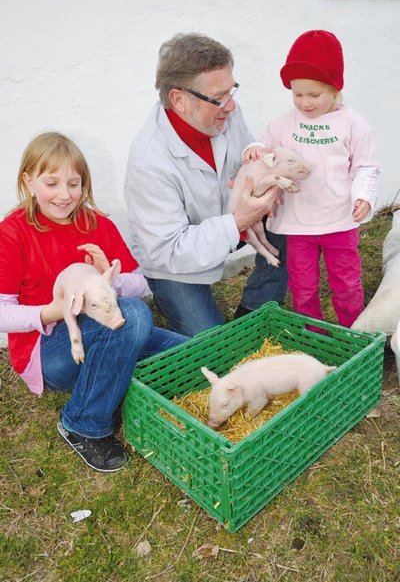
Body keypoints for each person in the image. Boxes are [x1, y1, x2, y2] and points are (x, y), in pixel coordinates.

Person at [0, 132, 188, 473]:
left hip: (105, 329)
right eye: (52, 183)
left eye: (74, 184)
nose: (64, 195)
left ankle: (114, 378)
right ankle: (83, 423)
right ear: (28, 181)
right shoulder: (13, 232)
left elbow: (139, 284)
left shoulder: (97, 224)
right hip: (49, 351)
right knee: (134, 317)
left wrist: (109, 280)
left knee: (189, 356)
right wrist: (53, 312)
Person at [124, 32, 286, 337]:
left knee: (289, 208)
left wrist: (264, 174)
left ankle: (256, 306)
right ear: (179, 100)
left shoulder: (224, 114)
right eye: (219, 97)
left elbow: (248, 153)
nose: (232, 106)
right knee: (211, 345)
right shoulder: (147, 163)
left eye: (231, 90)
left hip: (230, 223)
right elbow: (169, 250)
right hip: (174, 264)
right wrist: (239, 222)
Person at [244, 30, 381, 327]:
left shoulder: (353, 124)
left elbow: (365, 166)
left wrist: (364, 197)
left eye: (314, 95)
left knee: (346, 284)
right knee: (302, 287)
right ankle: (313, 333)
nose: (305, 103)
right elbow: (264, 145)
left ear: (334, 88)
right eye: (297, 94)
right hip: (299, 225)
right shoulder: (284, 123)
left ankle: (353, 331)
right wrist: (253, 149)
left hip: (339, 220)